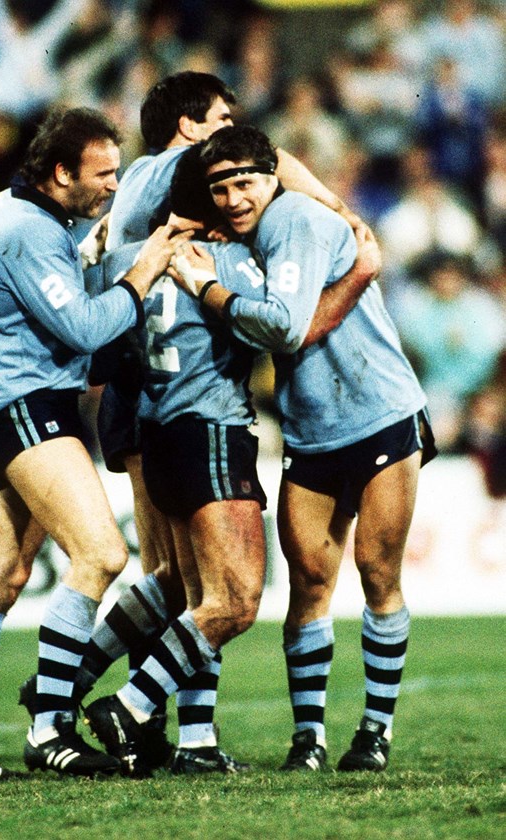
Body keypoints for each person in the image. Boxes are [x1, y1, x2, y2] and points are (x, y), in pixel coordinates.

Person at [19, 70, 376, 774]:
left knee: (179, 584)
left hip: (145, 408)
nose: (235, 190)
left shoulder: (130, 250)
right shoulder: (197, 226)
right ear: (191, 136)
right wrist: (346, 241)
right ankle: (138, 712)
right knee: (226, 595)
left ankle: (96, 699)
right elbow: (284, 329)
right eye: (222, 176)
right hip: (199, 421)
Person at [0, 106, 193, 785]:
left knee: (2, 574)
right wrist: (145, 271)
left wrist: (91, 254)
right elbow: (81, 328)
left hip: (14, 405)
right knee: (101, 553)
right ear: (59, 172)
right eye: (102, 175)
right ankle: (49, 727)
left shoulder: (40, 224)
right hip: (24, 408)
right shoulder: (22, 229)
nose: (112, 186)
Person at [168, 124, 436, 773]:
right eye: (220, 187)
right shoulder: (252, 230)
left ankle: (374, 730)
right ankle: (309, 739)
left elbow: (285, 328)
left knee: (376, 572)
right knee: (311, 584)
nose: (232, 197)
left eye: (244, 182)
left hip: (379, 414)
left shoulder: (293, 220)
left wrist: (208, 289)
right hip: (312, 427)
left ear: (272, 178)